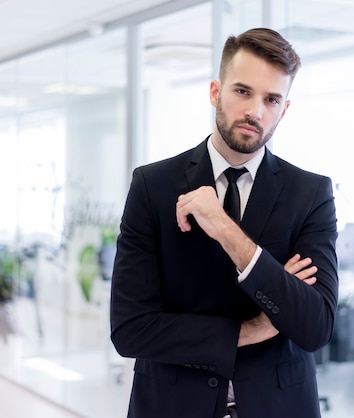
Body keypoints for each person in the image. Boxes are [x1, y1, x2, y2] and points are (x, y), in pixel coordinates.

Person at [110, 27, 338, 418]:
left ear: (284, 110)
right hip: (174, 406)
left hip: (278, 407)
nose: (255, 111)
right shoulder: (153, 186)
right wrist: (253, 329)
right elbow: (131, 329)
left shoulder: (310, 194)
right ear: (216, 92)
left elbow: (315, 325)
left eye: (271, 99)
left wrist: (224, 228)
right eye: (242, 91)